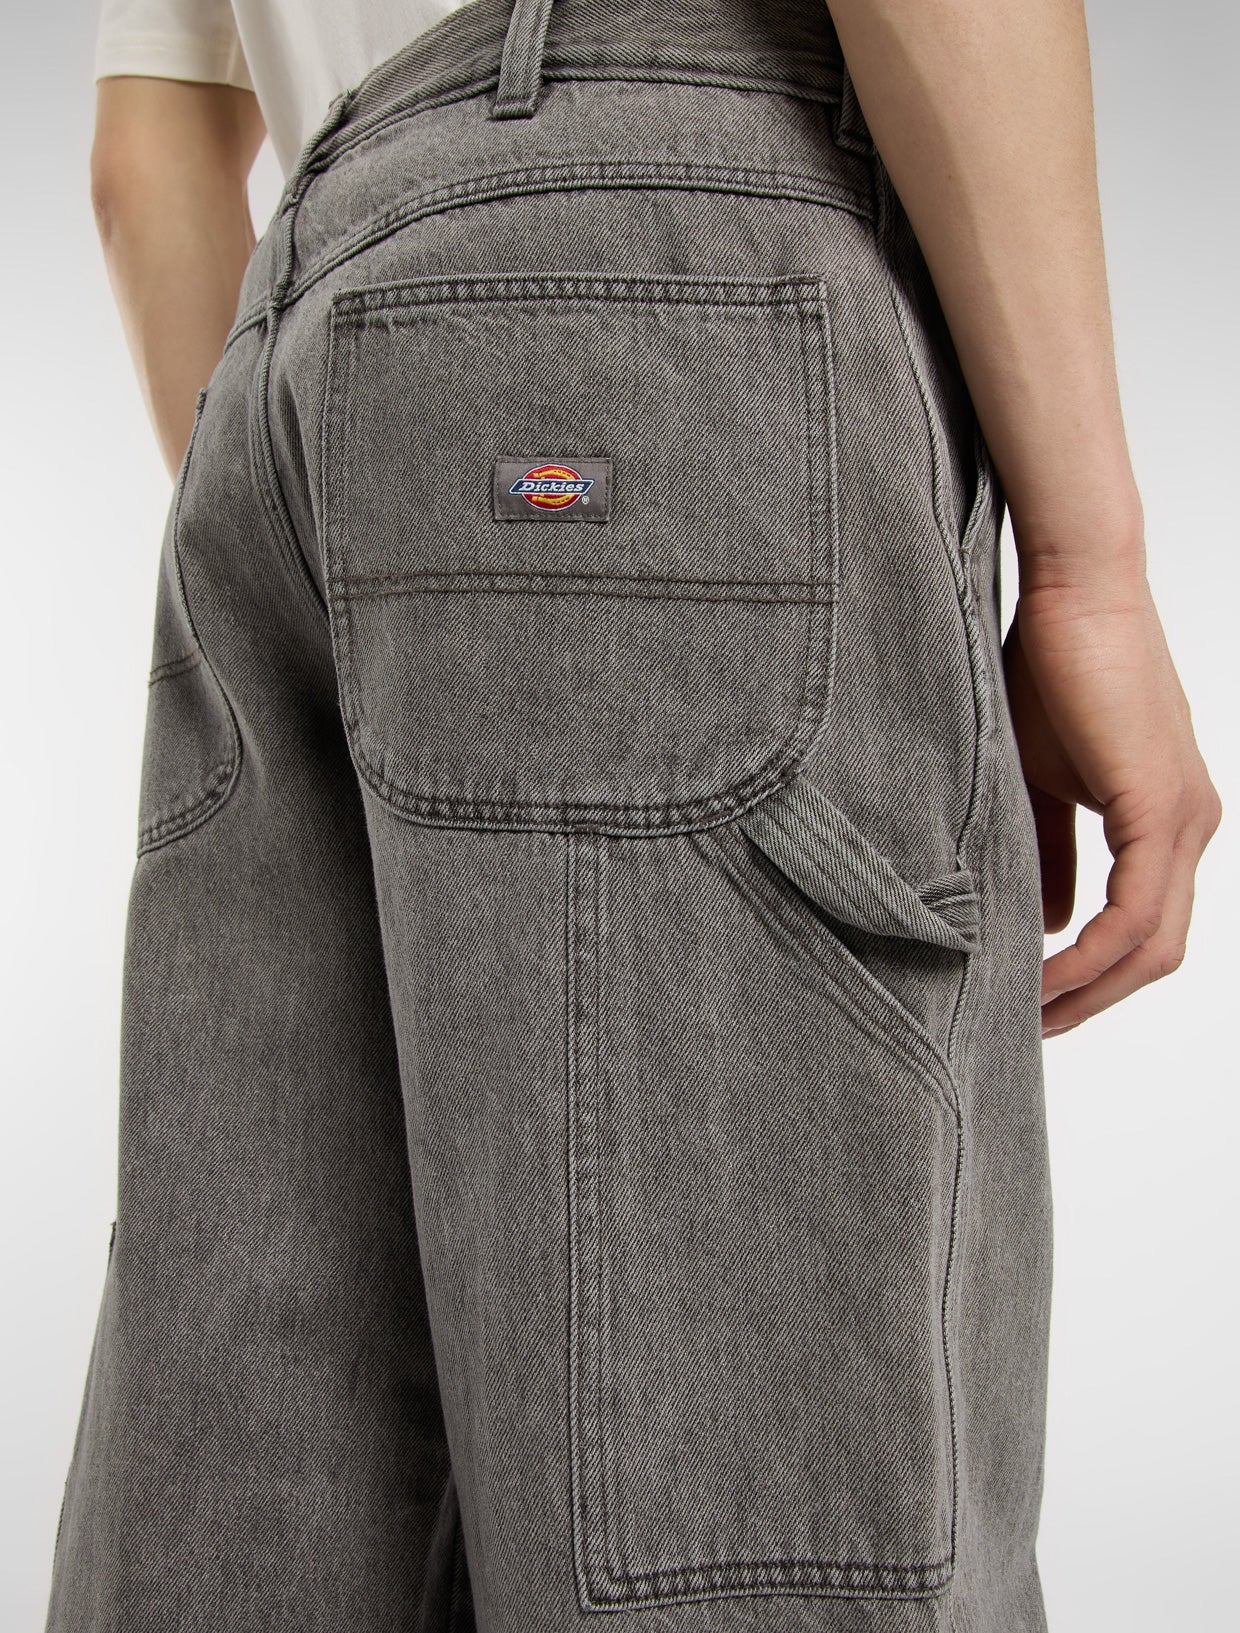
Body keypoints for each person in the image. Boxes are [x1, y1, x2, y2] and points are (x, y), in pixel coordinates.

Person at [49, 2, 1220, 1631]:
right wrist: (1094, 570)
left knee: (261, 1527)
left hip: (295, 356)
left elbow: (146, 157)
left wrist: (403, 553)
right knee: (749, 1545)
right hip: (657, 275)